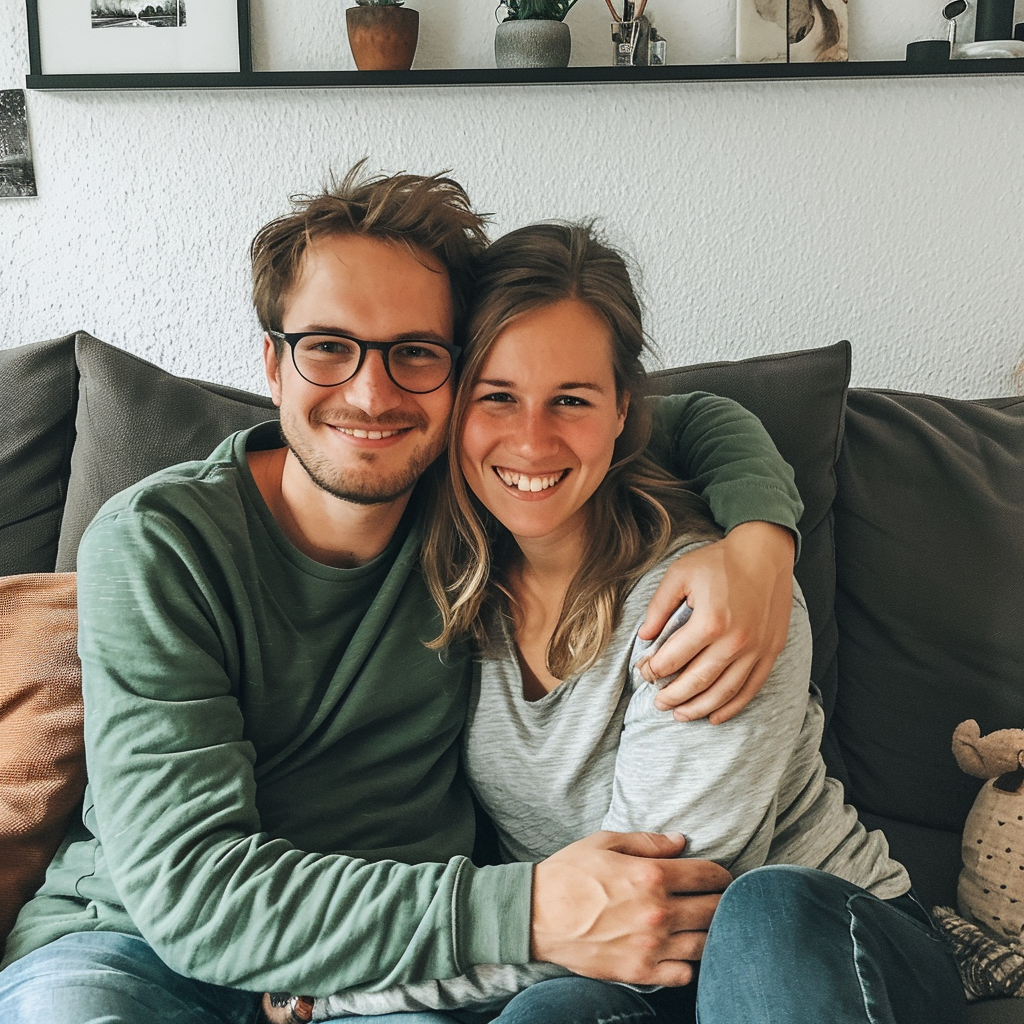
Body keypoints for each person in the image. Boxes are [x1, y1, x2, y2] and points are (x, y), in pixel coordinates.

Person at [0, 168, 803, 1023]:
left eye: (414, 352)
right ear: (273, 363)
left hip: (396, 968)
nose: (372, 393)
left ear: (458, 376)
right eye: (328, 346)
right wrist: (530, 911)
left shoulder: (482, 492)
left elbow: (683, 416)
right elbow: (194, 892)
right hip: (135, 947)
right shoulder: (158, 542)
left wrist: (760, 541)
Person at [296, 222, 967, 1024]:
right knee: (547, 1015)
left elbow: (660, 903)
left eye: (571, 400)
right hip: (603, 967)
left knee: (765, 913)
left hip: (815, 945)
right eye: (497, 396)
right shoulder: (440, 578)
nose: (533, 441)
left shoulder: (711, 603)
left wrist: (353, 992)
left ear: (623, 413)